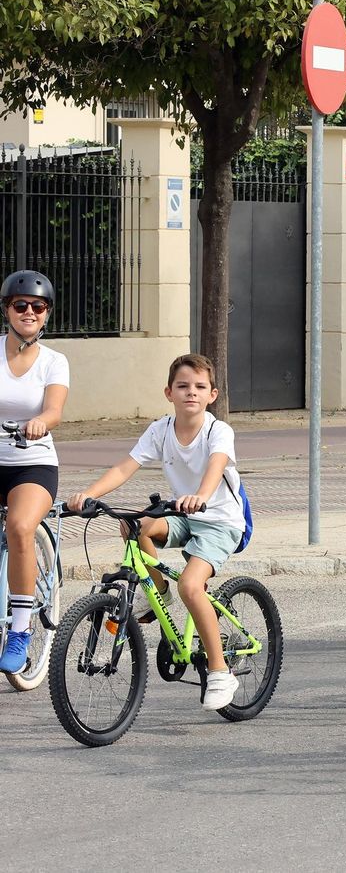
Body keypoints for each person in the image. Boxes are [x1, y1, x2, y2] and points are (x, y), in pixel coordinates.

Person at [66, 354, 247, 710]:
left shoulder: (218, 431)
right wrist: (89, 494)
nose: (190, 393)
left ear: (212, 394)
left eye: (199, 387)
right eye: (182, 386)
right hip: (182, 513)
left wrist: (201, 497)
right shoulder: (160, 429)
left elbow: (215, 466)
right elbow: (124, 467)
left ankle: (220, 670)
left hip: (221, 521)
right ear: (169, 392)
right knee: (134, 526)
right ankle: (156, 595)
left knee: (191, 586)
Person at [0, 271, 68, 676]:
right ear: (7, 309)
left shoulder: (54, 361)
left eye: (37, 306)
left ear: (46, 315)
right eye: (20, 304)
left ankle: (21, 629)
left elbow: (55, 409)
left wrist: (40, 421)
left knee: (21, 527)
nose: (28, 311)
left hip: (33, 462)